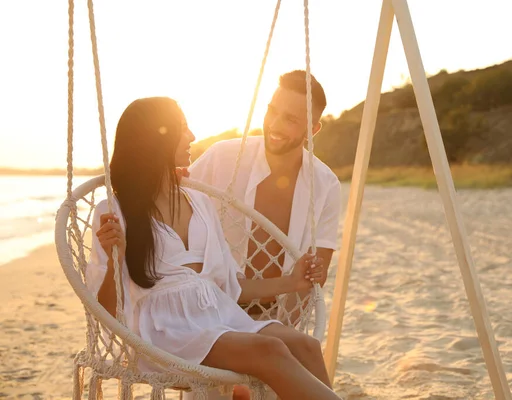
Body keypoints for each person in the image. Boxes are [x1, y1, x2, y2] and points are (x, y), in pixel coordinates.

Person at [86, 97, 341, 400]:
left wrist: (291, 282)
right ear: (157, 138)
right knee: (269, 350)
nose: (193, 136)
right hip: (165, 331)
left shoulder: (199, 202)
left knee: (306, 346)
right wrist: (117, 257)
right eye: (183, 128)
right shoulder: (115, 210)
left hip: (217, 315)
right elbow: (104, 309)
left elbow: (228, 287)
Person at [187, 70, 341, 317]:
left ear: (312, 130)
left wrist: (284, 330)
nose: (275, 125)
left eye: (290, 120)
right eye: (272, 111)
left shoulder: (326, 184)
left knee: (305, 352)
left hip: (272, 317)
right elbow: (169, 200)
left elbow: (313, 276)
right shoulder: (223, 157)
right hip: (205, 311)